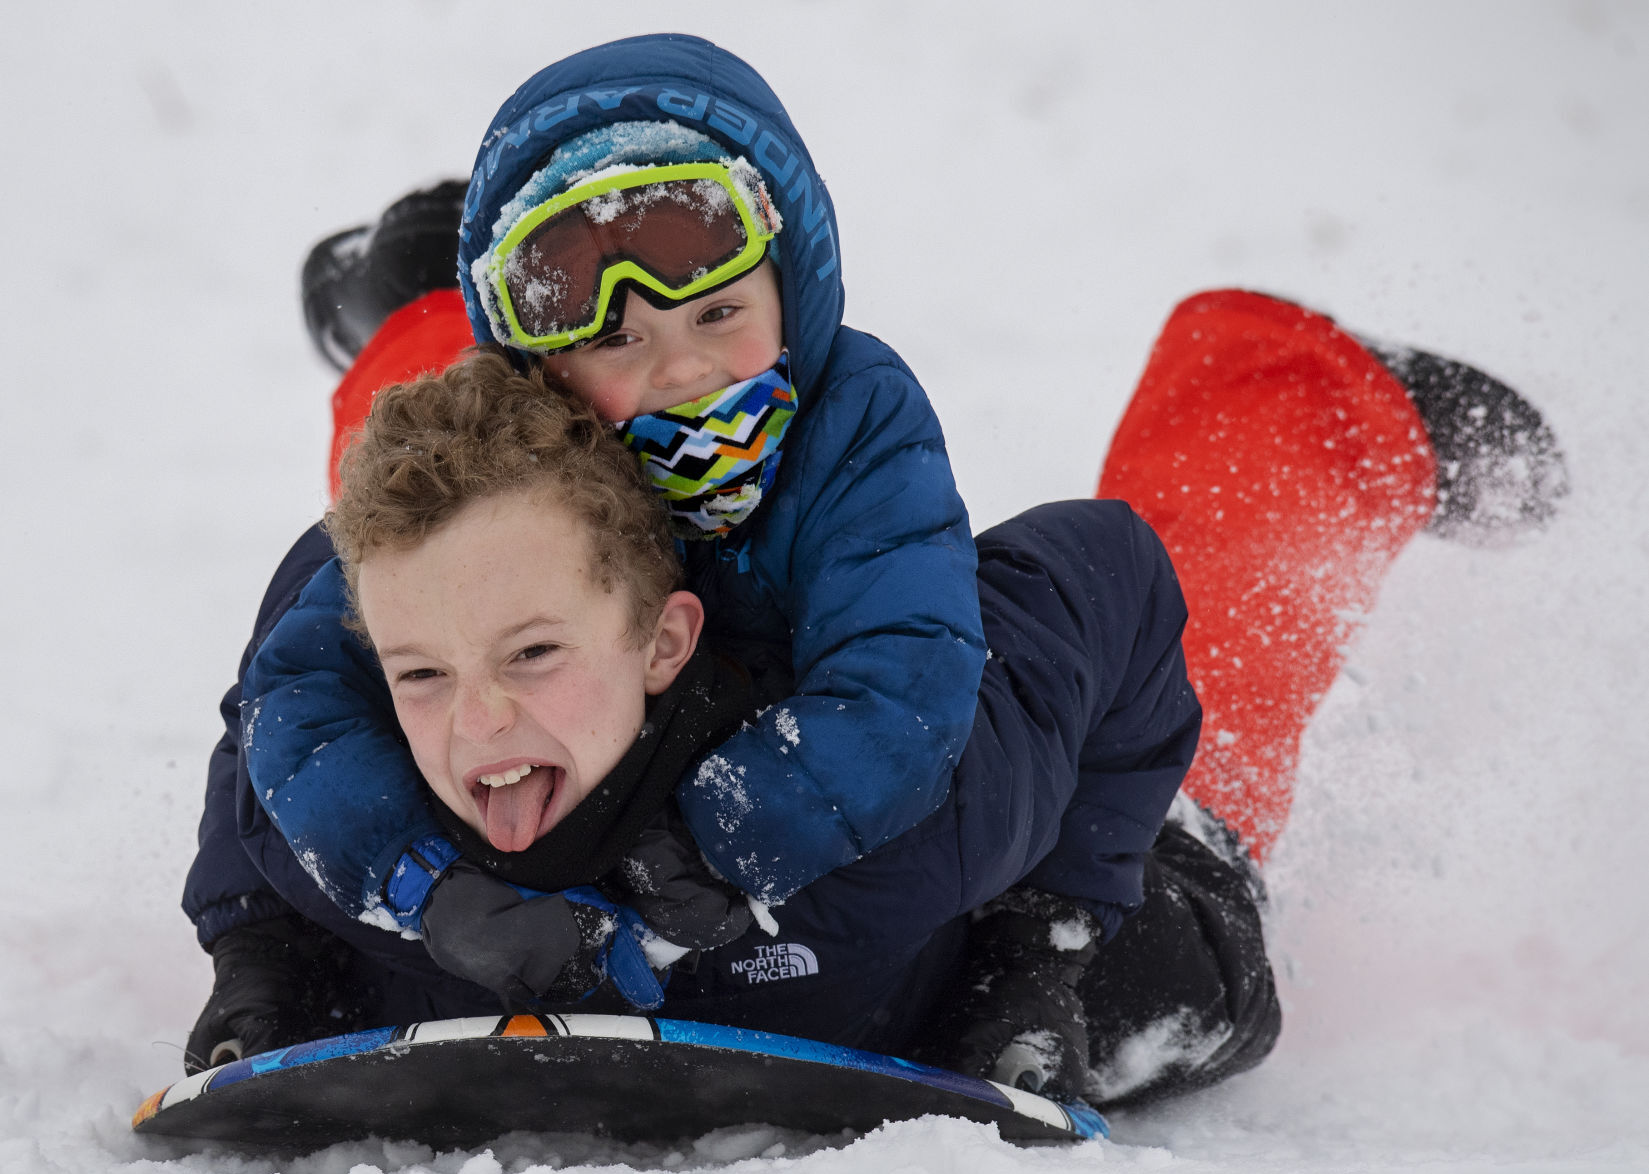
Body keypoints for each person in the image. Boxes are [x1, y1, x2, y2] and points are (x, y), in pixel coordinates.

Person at [181, 33, 1564, 1104]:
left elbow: (934, 698)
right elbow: (309, 675)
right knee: (439, 528)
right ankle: (428, 286)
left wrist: (1022, 939)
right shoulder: (559, 399)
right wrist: (407, 887)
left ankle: (1295, 393)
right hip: (584, 654)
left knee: (1200, 651)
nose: (681, 372)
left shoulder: (849, 436)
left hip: (917, 773)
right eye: (584, 329)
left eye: (726, 311)